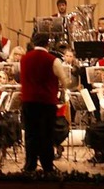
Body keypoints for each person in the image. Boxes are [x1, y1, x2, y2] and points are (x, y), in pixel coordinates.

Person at [20, 32, 69, 173]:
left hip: (28, 102)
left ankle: (30, 166)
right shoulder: (53, 60)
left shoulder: (24, 59)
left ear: (34, 43)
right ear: (48, 44)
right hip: (46, 103)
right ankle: (47, 166)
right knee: (46, 135)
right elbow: (64, 81)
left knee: (30, 134)